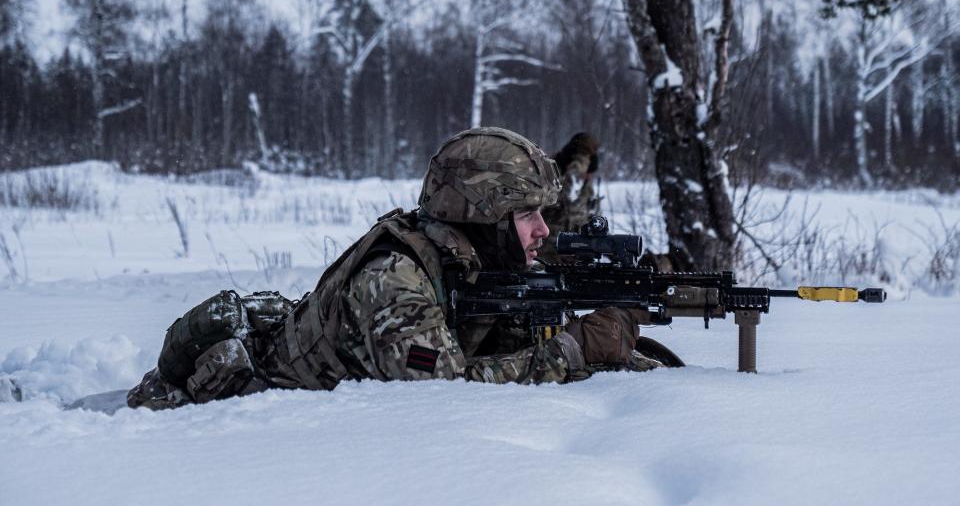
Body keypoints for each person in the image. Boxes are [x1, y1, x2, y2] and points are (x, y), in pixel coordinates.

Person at [128, 127, 672, 411]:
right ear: (480, 213)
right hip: (245, 402)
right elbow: (442, 392)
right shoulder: (394, 280)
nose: (543, 231)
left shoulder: (468, 256)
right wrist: (573, 349)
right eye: (526, 214)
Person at [539, 132, 601, 262]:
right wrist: (576, 173)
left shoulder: (587, 189)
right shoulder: (548, 179)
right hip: (547, 258)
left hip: (577, 260)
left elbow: (595, 223)